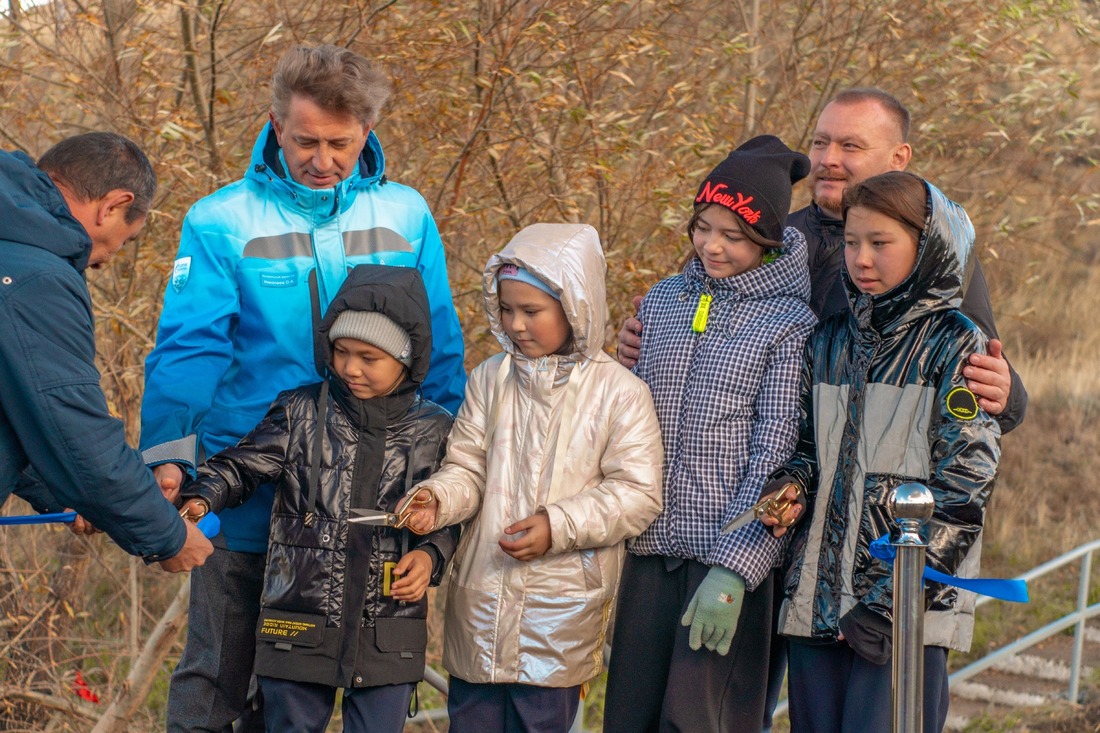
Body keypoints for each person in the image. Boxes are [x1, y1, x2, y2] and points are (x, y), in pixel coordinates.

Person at [615, 89, 1027, 731]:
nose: (829, 159)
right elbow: (694, 303)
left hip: (879, 569)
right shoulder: (777, 230)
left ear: (899, 156)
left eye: (851, 146)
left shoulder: (931, 244)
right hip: (783, 552)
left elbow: (976, 412)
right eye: (821, 142)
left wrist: (1005, 391)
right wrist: (636, 344)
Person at [140, 45, 467, 732]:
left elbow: (438, 351)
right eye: (305, 140)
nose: (322, 158)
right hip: (248, 492)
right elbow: (190, 346)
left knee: (312, 695)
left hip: (368, 509)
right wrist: (167, 452)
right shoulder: (222, 219)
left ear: (367, 132)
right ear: (275, 124)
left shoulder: (406, 215)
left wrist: (458, 477)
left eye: (340, 144)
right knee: (217, 681)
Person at [760, 171, 1000, 732]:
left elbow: (965, 488)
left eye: (879, 243)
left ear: (927, 245)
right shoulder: (827, 340)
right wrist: (789, 489)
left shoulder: (956, 342)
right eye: (850, 242)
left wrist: (890, 602)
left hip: (900, 617)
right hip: (816, 608)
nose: (860, 259)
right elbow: (806, 453)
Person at [401, 223, 664, 733]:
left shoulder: (620, 393)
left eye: (532, 311)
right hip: (479, 601)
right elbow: (468, 468)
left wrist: (556, 524)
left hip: (560, 611)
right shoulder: (490, 378)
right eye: (507, 309)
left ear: (575, 306)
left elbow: (637, 494)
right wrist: (438, 498)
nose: (517, 324)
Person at [175, 265, 458, 733]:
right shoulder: (301, 410)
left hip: (389, 628)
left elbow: (453, 514)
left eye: (369, 357)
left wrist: (431, 555)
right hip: (298, 624)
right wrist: (204, 496)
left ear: (407, 359)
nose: (350, 367)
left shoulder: (436, 430)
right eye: (342, 351)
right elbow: (239, 465)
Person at [601, 136, 819, 733]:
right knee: (629, 717)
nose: (712, 245)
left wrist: (738, 566)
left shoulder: (790, 324)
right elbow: (626, 414)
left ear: (768, 240)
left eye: (734, 234)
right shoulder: (667, 298)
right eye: (704, 227)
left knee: (701, 722)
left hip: (725, 563)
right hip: (649, 550)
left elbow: (778, 452)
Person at [0, 132, 212, 573]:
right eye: (126, 238)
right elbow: (74, 427)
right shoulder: (38, 279)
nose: (106, 259)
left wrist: (72, 494)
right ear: (112, 205)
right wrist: (166, 535)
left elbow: (19, 412)